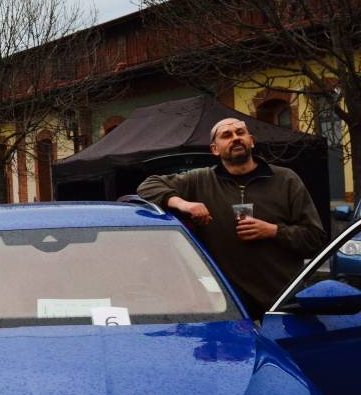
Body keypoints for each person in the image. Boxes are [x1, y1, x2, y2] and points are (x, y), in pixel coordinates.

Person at [137, 117, 326, 319]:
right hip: (230, 306)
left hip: (282, 301)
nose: (235, 138)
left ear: (251, 141)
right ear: (215, 149)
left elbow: (315, 239)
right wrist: (184, 204)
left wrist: (272, 231)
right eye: (226, 135)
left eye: (240, 133)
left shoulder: (286, 179)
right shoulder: (200, 180)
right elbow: (147, 186)